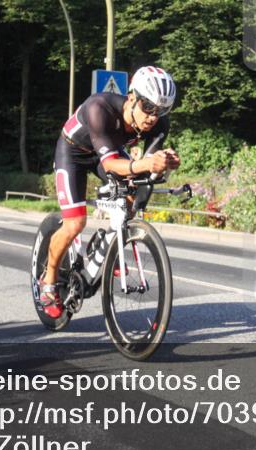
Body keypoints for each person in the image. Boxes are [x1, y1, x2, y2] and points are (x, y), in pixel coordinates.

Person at [38, 66, 181, 318]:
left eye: (161, 111)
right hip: (73, 154)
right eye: (148, 107)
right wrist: (147, 164)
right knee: (75, 223)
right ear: (133, 98)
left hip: (107, 151)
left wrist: (162, 166)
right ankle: (48, 281)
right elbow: (112, 165)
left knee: (132, 192)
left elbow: (145, 172)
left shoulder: (159, 123)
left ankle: (108, 246)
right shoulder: (99, 108)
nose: (152, 117)